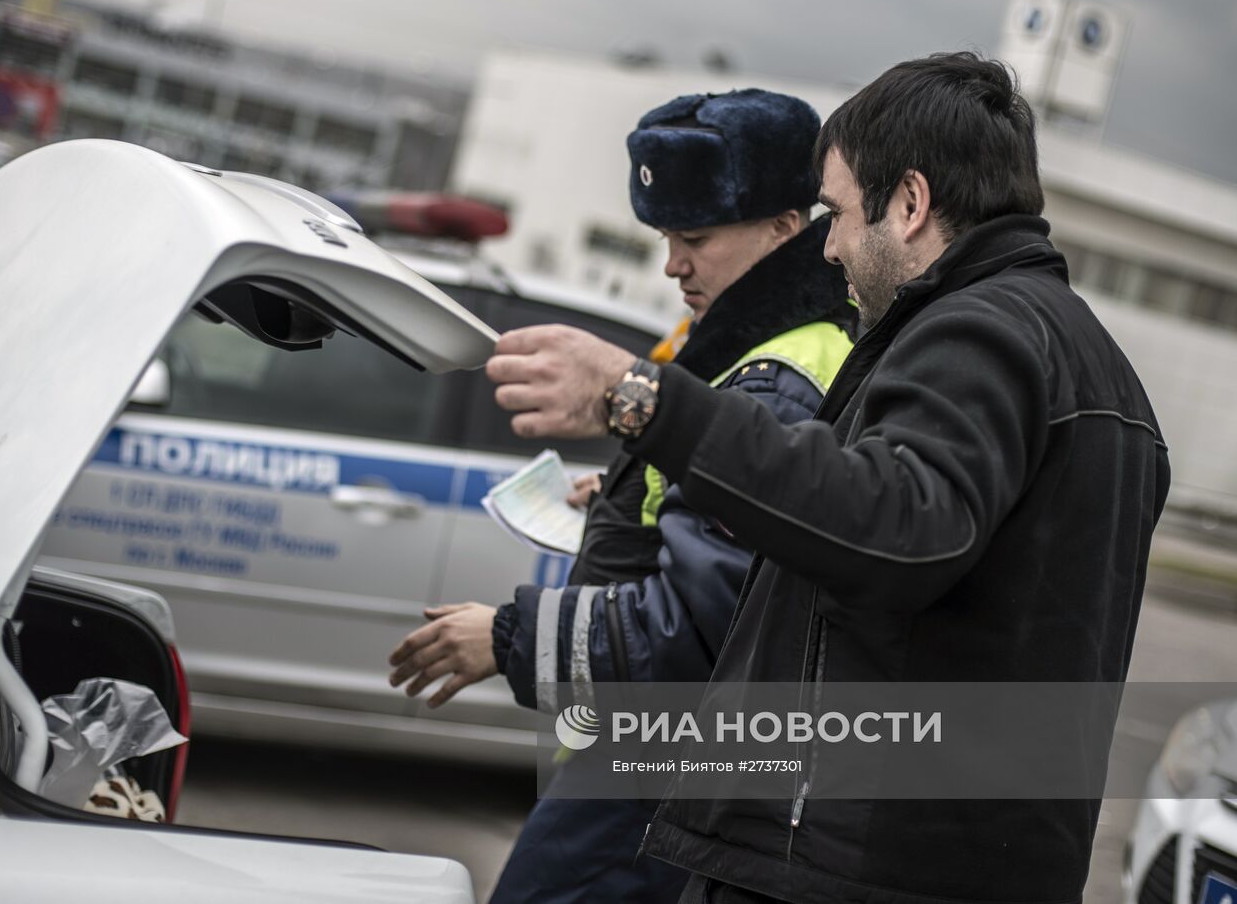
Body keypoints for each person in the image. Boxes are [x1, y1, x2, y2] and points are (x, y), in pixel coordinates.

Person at [482, 52, 1169, 904]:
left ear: (910, 203)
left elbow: (895, 529)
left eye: (837, 214)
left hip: (863, 863)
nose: (829, 243)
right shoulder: (1095, 370)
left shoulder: (976, 337)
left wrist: (647, 404)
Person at [388, 88, 856, 903]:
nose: (673, 262)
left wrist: (505, 638)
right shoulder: (762, 350)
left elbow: (702, 630)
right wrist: (621, 494)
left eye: (695, 237)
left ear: (786, 228)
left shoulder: (774, 379)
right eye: (668, 236)